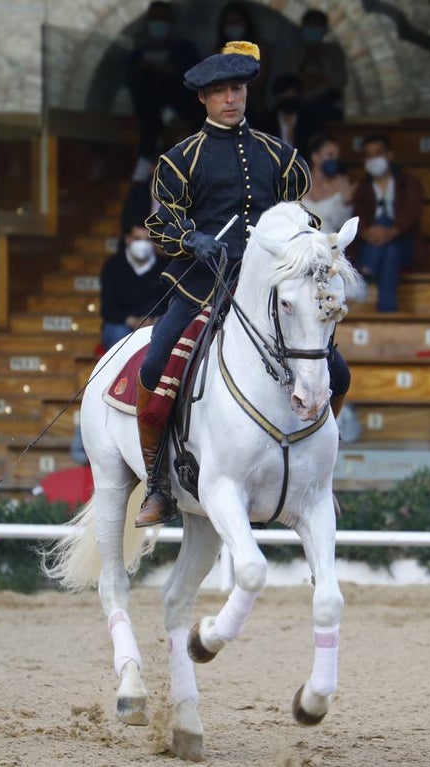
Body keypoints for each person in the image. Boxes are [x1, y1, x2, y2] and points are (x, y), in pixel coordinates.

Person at [137, 41, 348, 527]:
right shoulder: (178, 159)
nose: (230, 99)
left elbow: (301, 218)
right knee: (154, 366)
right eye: (219, 92)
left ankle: (319, 476)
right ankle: (157, 484)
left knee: (338, 373)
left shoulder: (282, 155)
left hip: (272, 289)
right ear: (203, 100)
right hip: (201, 285)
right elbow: (160, 225)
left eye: (236, 89)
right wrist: (193, 239)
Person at [125, 1, 201, 182]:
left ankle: (147, 152)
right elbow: (129, 80)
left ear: (171, 22)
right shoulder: (139, 52)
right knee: (147, 85)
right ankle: (162, 118)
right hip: (150, 107)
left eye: (163, 19)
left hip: (181, 102)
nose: (159, 23)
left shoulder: (184, 49)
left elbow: (194, 77)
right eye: (155, 19)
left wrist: (167, 69)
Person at [351, 134, 424, 312]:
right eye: (368, 155)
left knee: (387, 228)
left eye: (378, 153)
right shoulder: (362, 188)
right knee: (390, 253)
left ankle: (366, 270)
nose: (373, 159)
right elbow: (357, 218)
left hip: (404, 241)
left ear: (389, 155)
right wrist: (368, 233)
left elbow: (412, 216)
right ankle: (387, 308)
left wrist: (390, 232)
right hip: (373, 243)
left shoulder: (409, 183)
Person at [99, 220, 168, 352]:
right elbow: (108, 310)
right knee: (117, 333)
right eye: (137, 239)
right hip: (124, 323)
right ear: (128, 239)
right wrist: (134, 321)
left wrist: (154, 320)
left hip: (156, 322)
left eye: (147, 240)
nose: (142, 244)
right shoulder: (113, 266)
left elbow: (170, 302)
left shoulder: (165, 266)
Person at [280, 8, 347, 125]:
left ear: (325, 29)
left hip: (327, 106)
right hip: (298, 107)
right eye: (309, 25)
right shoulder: (293, 54)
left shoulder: (334, 52)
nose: (312, 29)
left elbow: (338, 82)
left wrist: (315, 80)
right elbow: (289, 82)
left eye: (317, 25)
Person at [302, 132, 354, 234]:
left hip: (329, 242)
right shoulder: (298, 182)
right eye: (330, 155)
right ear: (315, 157)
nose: (334, 160)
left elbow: (343, 225)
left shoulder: (341, 183)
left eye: (337, 156)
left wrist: (347, 201)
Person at [252, 73, 318, 154]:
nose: (288, 96)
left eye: (292, 93)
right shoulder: (265, 121)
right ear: (276, 96)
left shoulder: (309, 120)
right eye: (284, 93)